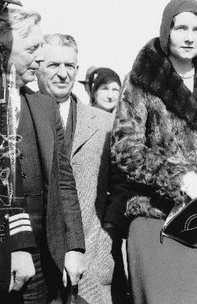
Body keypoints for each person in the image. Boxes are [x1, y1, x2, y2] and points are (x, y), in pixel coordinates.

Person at [108, 0, 197, 303]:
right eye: (180, 28)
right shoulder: (142, 80)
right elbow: (124, 147)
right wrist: (181, 180)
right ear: (166, 30)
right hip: (157, 218)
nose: (189, 37)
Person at [0, 7, 85, 303]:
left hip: (44, 259)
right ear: (4, 47)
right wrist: (15, 246)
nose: (39, 58)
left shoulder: (45, 109)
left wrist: (74, 246)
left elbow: (64, 183)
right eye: (32, 48)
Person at [36, 33, 127, 303]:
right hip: (38, 268)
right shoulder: (20, 118)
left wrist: (107, 234)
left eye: (70, 66)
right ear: (37, 65)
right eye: (54, 65)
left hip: (92, 264)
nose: (63, 74)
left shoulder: (103, 124)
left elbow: (122, 186)